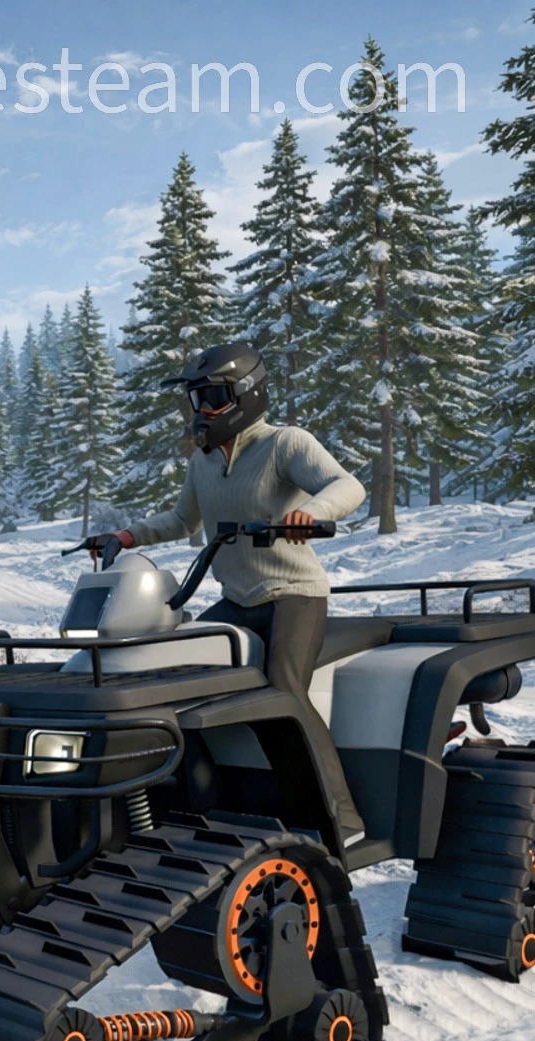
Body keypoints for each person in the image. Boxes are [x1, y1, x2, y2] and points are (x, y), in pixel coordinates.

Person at [87, 341, 365, 842]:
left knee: (283, 691)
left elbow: (347, 486)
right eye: (196, 399)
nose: (203, 410)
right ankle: (207, 807)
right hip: (237, 600)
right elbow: (182, 519)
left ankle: (340, 823)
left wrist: (309, 514)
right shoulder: (204, 462)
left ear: (246, 393)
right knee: (176, 679)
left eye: (213, 396)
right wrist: (126, 536)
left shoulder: (285, 443)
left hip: (292, 595)